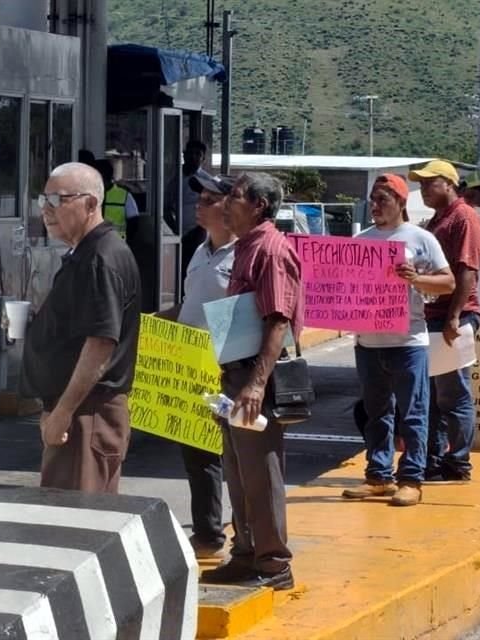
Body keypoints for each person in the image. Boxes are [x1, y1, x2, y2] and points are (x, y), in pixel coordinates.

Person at [199, 172, 302, 590]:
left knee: (260, 473)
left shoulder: (272, 250)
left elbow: (278, 320)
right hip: (236, 374)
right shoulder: (246, 247)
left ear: (259, 205)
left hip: (256, 379)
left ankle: (274, 564)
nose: (226, 203)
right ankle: (246, 553)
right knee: (239, 473)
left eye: (236, 196)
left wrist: (256, 384)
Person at [20, 162, 141, 494]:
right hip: (78, 411)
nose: (46, 209)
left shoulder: (100, 258)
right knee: (70, 512)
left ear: (90, 204)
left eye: (58, 200)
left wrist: (64, 411)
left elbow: (100, 344)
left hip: (87, 414)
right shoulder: (85, 253)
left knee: (75, 514)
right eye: (43, 199)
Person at [341, 175, 455, 507]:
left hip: (408, 342)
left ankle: (411, 478)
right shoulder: (360, 240)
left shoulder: (421, 239)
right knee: (376, 412)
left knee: (413, 413)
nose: (375, 206)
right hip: (368, 343)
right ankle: (378, 476)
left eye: (382, 199)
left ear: (401, 202)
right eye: (373, 200)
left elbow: (448, 282)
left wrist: (415, 278)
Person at [158, 173, 236, 558]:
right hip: (192, 369)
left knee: (236, 454)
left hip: (227, 372)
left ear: (231, 207)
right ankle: (207, 535)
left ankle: (247, 536)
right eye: (199, 199)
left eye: (209, 200)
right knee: (197, 453)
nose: (199, 206)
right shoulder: (199, 250)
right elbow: (192, 305)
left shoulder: (245, 255)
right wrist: (154, 324)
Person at [409, 160, 480, 482]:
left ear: (450, 184)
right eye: (421, 184)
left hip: (453, 316)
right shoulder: (438, 219)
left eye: (430, 183)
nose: (424, 189)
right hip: (434, 317)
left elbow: (467, 271)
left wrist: (454, 316)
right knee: (432, 396)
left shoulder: (464, 217)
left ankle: (458, 463)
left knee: (453, 395)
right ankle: (433, 459)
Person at [180, 141, 213, 286]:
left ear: (203, 158)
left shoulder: (208, 181)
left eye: (198, 154)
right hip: (176, 235)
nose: (193, 157)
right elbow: (166, 204)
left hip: (198, 234)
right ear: (184, 155)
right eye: (190, 153)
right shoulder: (175, 178)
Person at [93, 159, 140, 241]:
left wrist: (127, 243)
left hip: (115, 244)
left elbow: (133, 223)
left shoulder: (124, 196)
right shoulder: (89, 195)